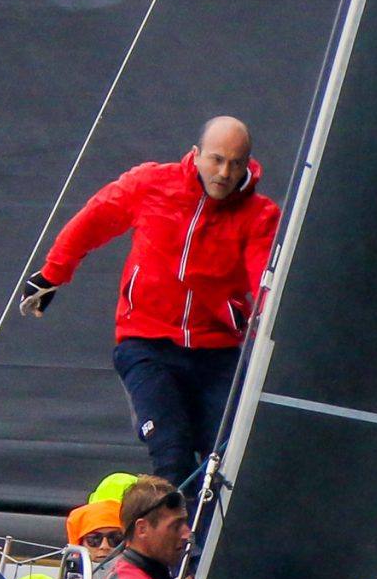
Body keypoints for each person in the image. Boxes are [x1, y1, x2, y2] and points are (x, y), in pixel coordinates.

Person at [16, 116, 278, 491]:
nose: (224, 172)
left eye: (236, 163)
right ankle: (172, 543)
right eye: (216, 159)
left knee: (228, 456)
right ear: (196, 154)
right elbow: (95, 219)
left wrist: (269, 322)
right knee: (171, 452)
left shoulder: (259, 214)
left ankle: (209, 545)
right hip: (146, 342)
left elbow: (262, 275)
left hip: (217, 351)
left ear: (247, 164)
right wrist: (52, 275)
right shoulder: (152, 184)